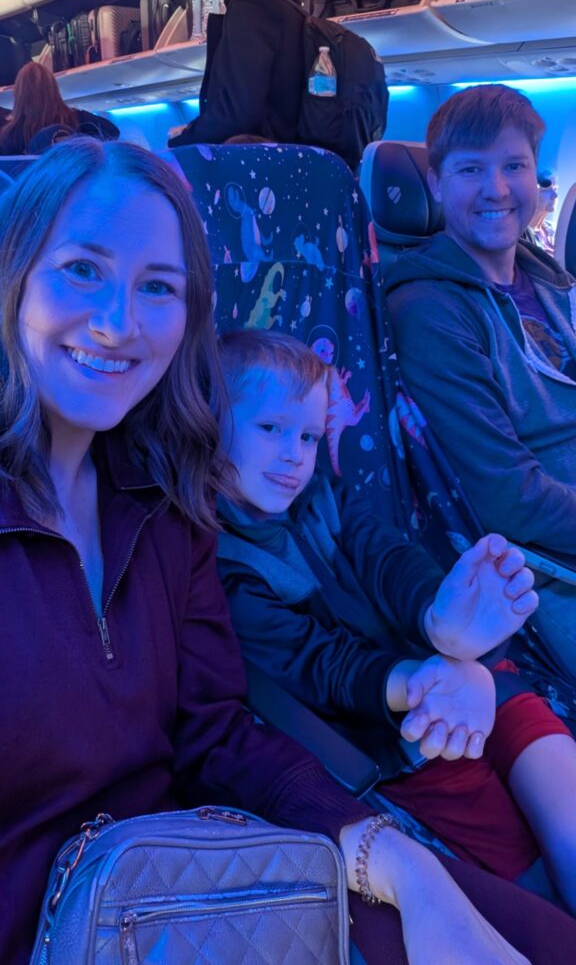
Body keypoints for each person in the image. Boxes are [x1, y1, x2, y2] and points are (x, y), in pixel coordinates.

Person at [1, 139, 575, 965]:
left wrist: (397, 864)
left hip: (192, 874)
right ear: (15, 274)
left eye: (158, 286)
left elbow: (216, 735)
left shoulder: (165, 506)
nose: (118, 323)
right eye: (81, 270)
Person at [215, 326, 576, 911]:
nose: (294, 455)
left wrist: (440, 616)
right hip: (400, 736)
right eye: (270, 429)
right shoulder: (226, 564)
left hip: (468, 678)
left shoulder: (323, 496)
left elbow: (389, 559)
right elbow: (317, 665)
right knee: (533, 884)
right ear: (208, 425)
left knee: (560, 793)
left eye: (308, 436)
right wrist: (425, 679)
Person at [384, 84, 576, 683]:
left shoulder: (550, 281)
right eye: (471, 169)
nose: (497, 189)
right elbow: (507, 496)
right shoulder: (430, 308)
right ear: (436, 184)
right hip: (545, 567)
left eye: (514, 166)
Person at [168, 0, 305, 148]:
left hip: (255, 161)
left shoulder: (250, 8)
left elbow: (236, 113)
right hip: (288, 159)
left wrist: (184, 140)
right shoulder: (299, 16)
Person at [0, 60, 119, 156]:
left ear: (19, 94)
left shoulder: (10, 133)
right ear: (53, 89)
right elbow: (112, 132)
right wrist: (82, 147)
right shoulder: (76, 118)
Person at [525, 171, 558, 255]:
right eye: (546, 190)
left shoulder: (554, 229)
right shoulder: (520, 237)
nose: (555, 195)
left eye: (555, 189)